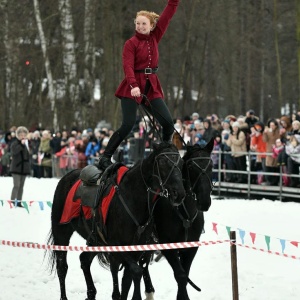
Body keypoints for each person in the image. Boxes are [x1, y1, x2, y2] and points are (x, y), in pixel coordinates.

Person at [97, 0, 180, 171]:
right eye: (138, 23)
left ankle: (164, 153)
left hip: (151, 86)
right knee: (127, 124)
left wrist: (174, 2)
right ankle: (105, 157)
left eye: (144, 24)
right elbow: (127, 66)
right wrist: (134, 85)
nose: (141, 26)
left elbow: (168, 15)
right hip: (131, 87)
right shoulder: (131, 43)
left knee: (168, 124)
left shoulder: (155, 36)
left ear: (151, 26)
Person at [10, 126, 31, 207]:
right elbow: (14, 152)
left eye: (24, 134)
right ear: (18, 135)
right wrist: (21, 145)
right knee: (16, 185)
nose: (22, 136)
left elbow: (28, 155)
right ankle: (12, 200)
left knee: (21, 186)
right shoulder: (14, 144)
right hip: (16, 167)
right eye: (21, 134)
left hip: (24, 168)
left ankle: (19, 201)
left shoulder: (26, 144)